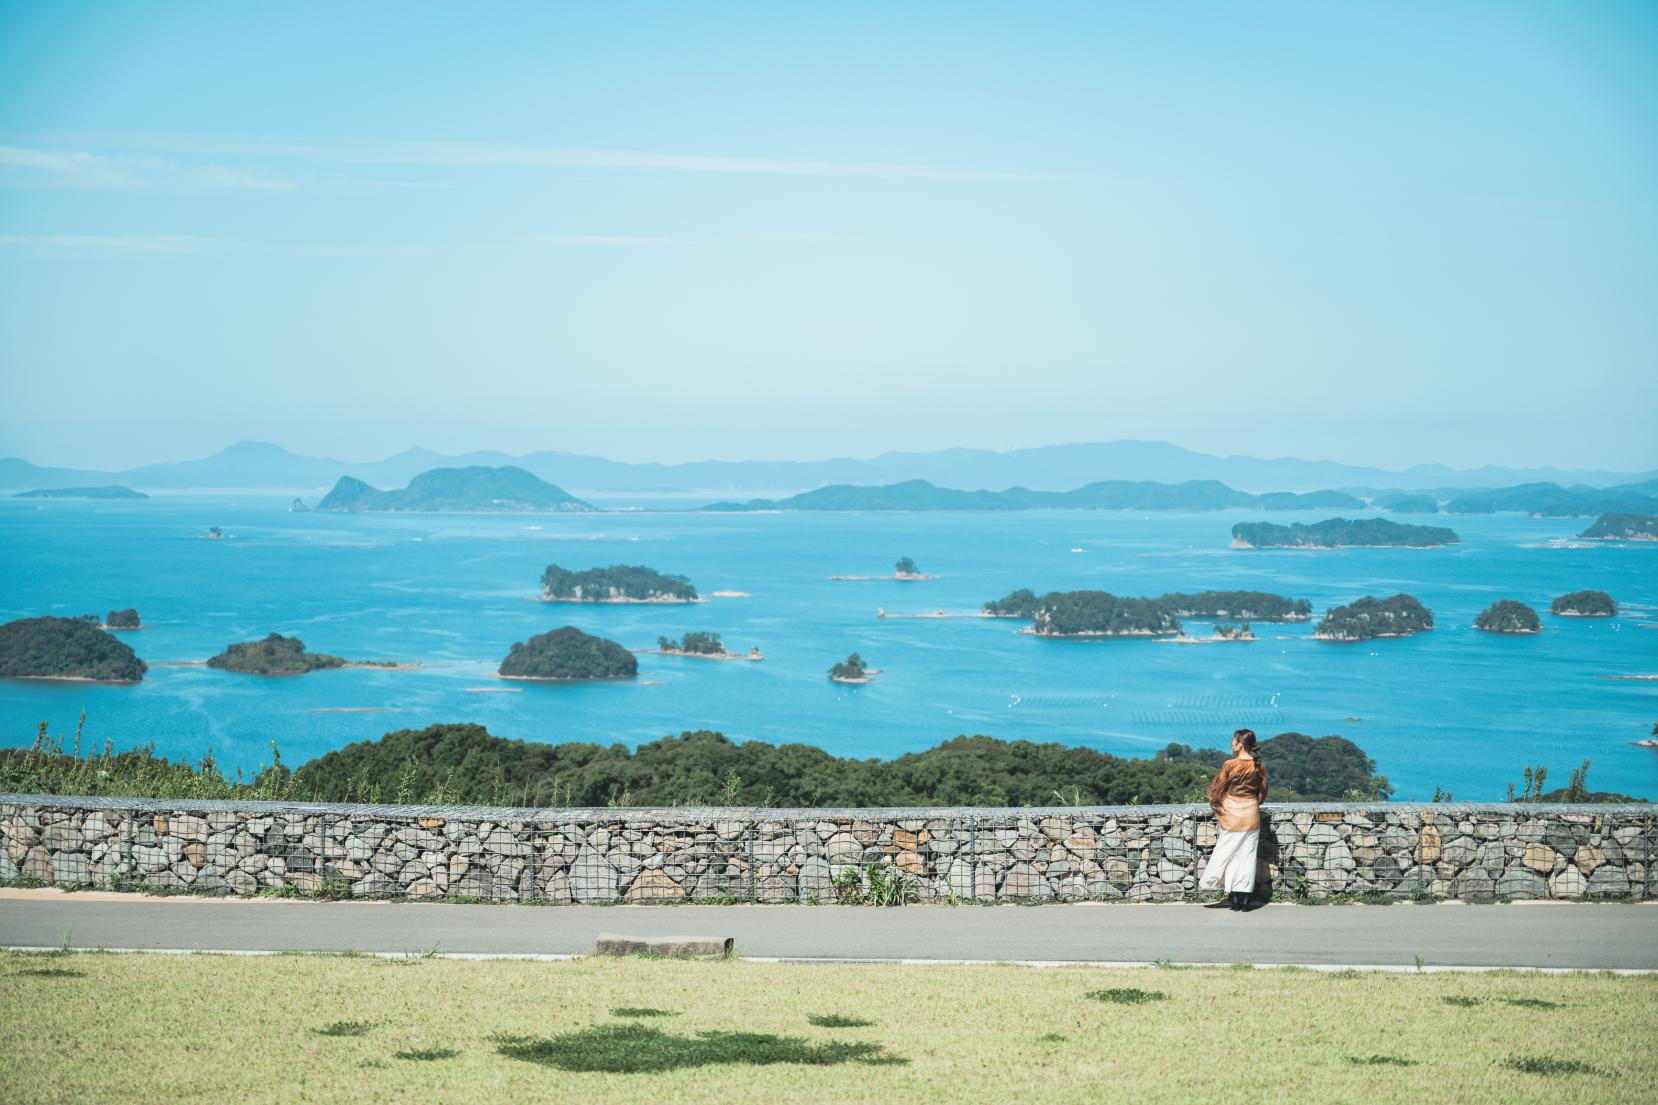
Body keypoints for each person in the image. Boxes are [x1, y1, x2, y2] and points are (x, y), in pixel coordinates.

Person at [1200, 728, 1268, 911]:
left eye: (1233, 740)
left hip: (1231, 816)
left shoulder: (1230, 764)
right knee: (1247, 857)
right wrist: (1251, 804)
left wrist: (1223, 807)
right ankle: (1243, 899)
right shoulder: (1258, 765)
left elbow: (1216, 789)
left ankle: (1231, 896)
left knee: (1227, 854)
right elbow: (1263, 792)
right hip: (1251, 816)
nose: (1231, 743)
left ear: (1239, 744)